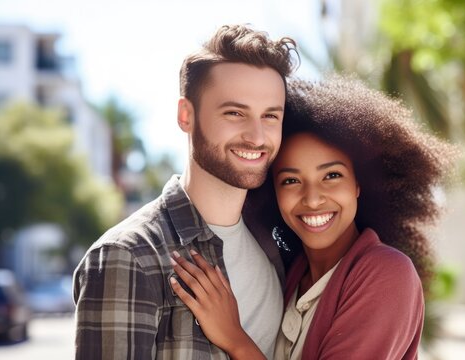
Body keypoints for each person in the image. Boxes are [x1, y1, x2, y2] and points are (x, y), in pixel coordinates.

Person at [169, 76, 456, 359]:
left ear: (358, 184)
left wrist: (234, 338)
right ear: (274, 193)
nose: (313, 199)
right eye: (291, 181)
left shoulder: (388, 273)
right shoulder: (290, 276)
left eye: (332, 176)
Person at [73, 24, 299, 360]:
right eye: (235, 113)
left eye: (270, 116)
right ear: (185, 115)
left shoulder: (274, 242)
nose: (256, 136)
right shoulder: (130, 257)